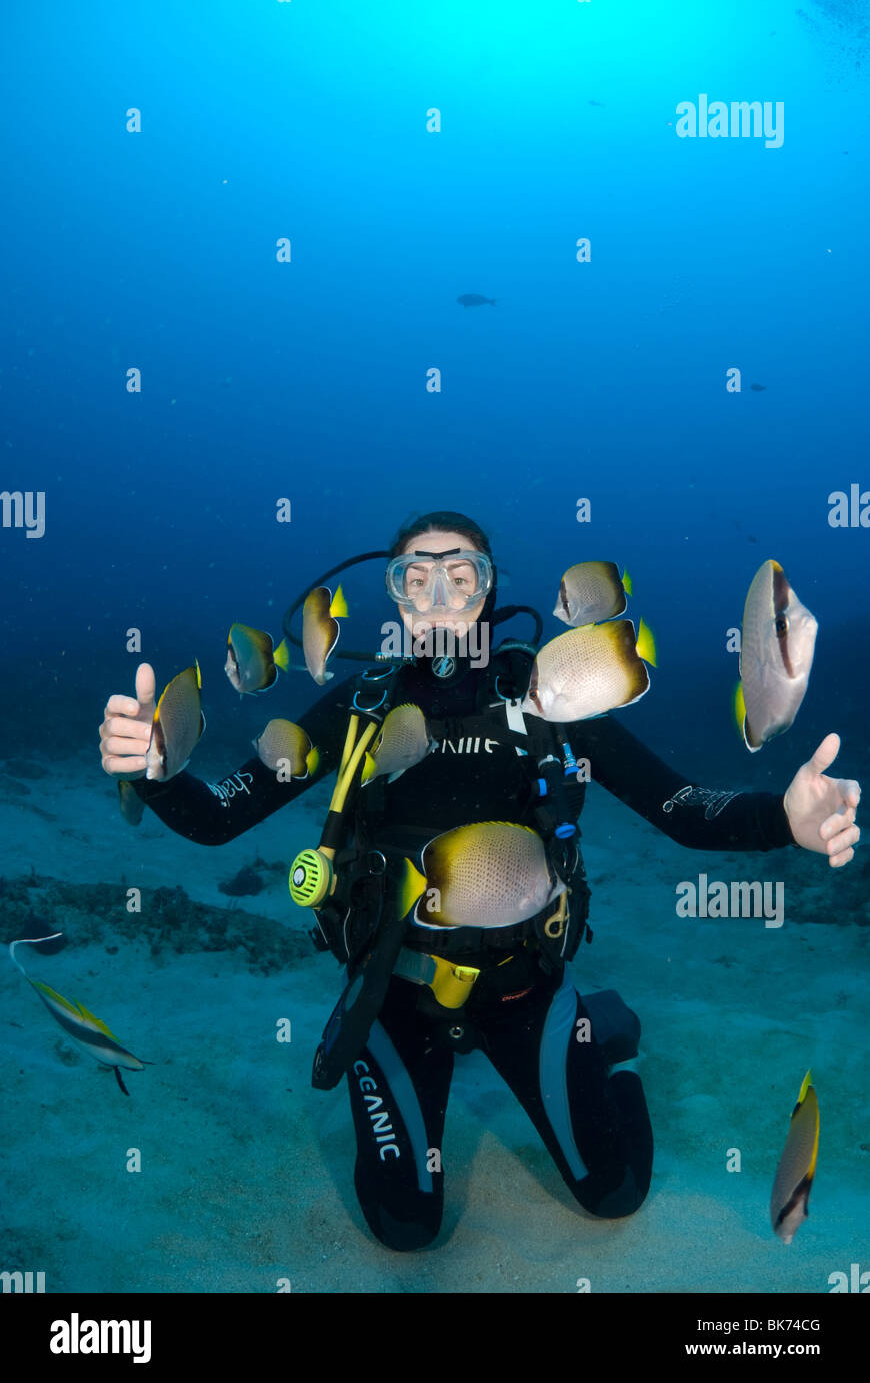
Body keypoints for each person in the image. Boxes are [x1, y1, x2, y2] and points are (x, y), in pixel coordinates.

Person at [99, 511, 861, 1252]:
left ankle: (607, 1040)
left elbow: (682, 809)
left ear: (488, 592)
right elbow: (218, 819)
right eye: (416, 578)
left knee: (617, 1191)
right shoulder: (360, 708)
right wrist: (158, 770)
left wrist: (781, 820)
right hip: (391, 988)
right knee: (404, 1228)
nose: (437, 599)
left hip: (523, 982)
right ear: (393, 595)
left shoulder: (551, 695)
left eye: (460, 576)